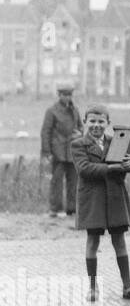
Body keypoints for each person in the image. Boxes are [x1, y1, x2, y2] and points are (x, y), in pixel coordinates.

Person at [71, 105, 130, 301]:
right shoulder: (78, 144)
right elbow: (85, 169)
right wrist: (113, 168)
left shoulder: (117, 142)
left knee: (119, 241)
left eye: (101, 122)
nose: (96, 125)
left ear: (108, 124)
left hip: (114, 196)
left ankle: (128, 287)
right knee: (93, 241)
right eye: (92, 121)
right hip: (92, 199)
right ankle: (93, 288)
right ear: (85, 123)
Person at [41, 83, 82, 218]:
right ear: (59, 95)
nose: (67, 98)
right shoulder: (52, 111)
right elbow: (46, 132)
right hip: (57, 152)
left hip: (72, 151)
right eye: (65, 95)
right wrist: (47, 152)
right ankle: (55, 209)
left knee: (74, 181)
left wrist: (79, 134)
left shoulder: (75, 110)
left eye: (69, 95)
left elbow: (81, 127)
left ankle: (72, 209)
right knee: (56, 182)